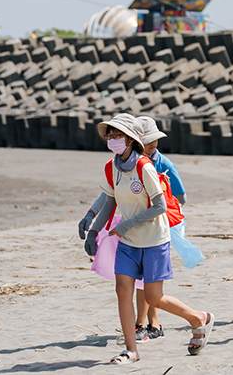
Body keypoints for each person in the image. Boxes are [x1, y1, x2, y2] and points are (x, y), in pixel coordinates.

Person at [84, 113, 213, 363]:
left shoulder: (144, 166)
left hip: (155, 240)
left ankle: (198, 318)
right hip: (128, 243)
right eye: (109, 134)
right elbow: (110, 201)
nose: (112, 139)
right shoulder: (111, 167)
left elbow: (160, 206)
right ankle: (131, 351)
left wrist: (128, 224)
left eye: (117, 134)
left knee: (154, 298)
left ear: (131, 139)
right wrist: (92, 229)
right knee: (123, 290)